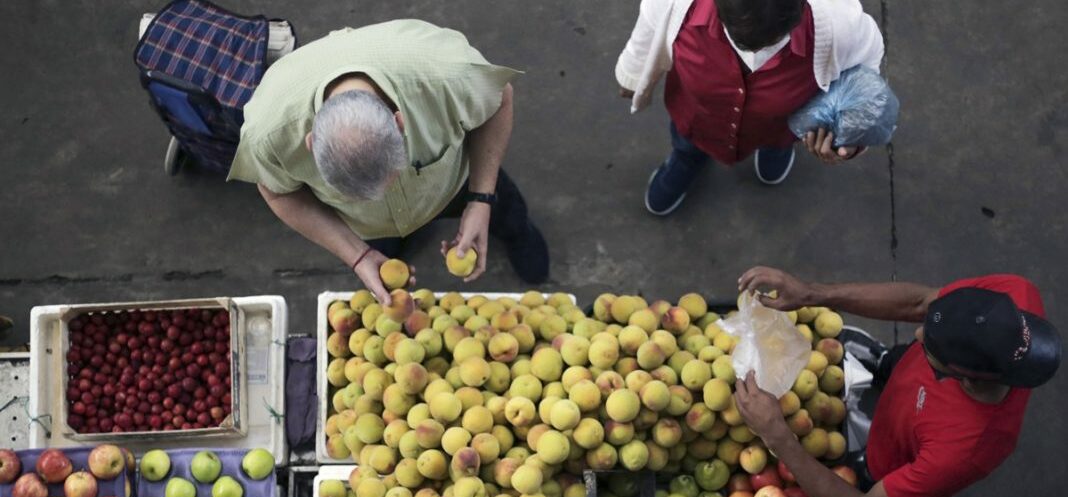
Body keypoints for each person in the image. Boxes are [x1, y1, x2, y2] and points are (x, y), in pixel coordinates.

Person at [228, 20, 550, 302]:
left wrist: (481, 199)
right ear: (310, 143)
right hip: (367, 225)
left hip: (453, 183)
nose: (383, 196)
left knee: (503, 207)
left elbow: (500, 99)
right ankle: (390, 238)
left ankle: (515, 230)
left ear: (399, 122)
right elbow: (276, 191)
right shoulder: (268, 134)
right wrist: (358, 254)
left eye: (394, 176)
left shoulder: (447, 74)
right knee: (385, 244)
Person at [732, 266, 1062, 497]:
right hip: (910, 383)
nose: (918, 332)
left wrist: (777, 435)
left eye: (932, 347)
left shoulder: (964, 450)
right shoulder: (1015, 295)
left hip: (895, 457)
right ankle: (884, 363)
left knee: (879, 482)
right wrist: (812, 293)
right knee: (900, 359)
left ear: (967, 376)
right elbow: (921, 304)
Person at [615, 0, 884, 215]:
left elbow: (867, 62)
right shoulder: (672, 4)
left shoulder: (842, 24)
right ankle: (686, 159)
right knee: (687, 142)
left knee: (778, 139)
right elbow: (648, 28)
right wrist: (633, 73)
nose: (754, 53)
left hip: (780, 125)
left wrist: (847, 133)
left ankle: (776, 151)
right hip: (697, 114)